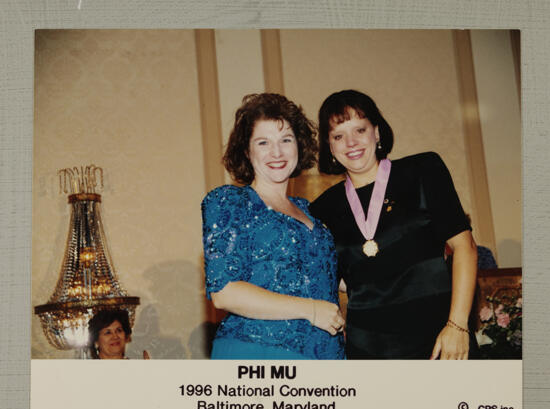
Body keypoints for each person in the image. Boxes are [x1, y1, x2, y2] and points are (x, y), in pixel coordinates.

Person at [309, 89, 478, 360]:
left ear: (376, 132)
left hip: (440, 341)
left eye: (359, 130)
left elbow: (465, 247)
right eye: (339, 136)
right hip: (368, 352)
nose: (350, 142)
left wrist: (457, 326)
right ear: (329, 146)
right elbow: (338, 283)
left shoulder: (423, 170)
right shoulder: (322, 208)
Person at [201, 93, 345, 359]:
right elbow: (225, 292)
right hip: (258, 355)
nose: (276, 152)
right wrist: (311, 310)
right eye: (263, 142)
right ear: (247, 150)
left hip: (326, 359)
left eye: (286, 140)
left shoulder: (313, 212)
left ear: (299, 145)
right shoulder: (228, 202)